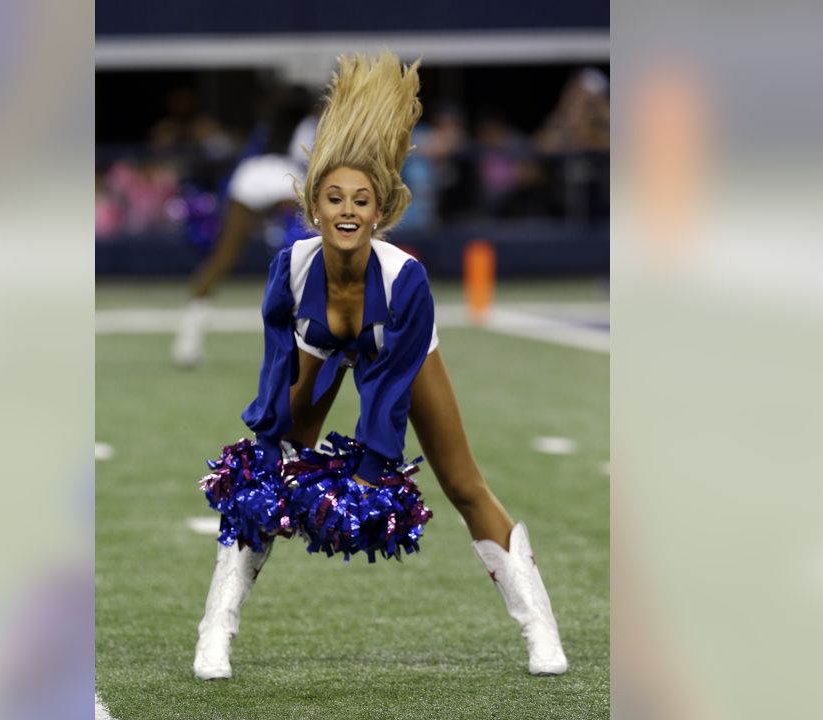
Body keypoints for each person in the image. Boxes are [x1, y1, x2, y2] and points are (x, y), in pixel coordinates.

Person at [192, 51, 570, 680]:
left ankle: (539, 629)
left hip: (395, 347)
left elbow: (389, 387)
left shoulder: (406, 280)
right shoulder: (289, 269)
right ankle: (216, 631)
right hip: (318, 345)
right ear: (315, 206)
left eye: (360, 200)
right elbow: (277, 359)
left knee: (463, 483)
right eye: (334, 197)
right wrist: (270, 440)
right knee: (261, 481)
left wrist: (370, 473)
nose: (346, 210)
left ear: (379, 210)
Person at [171, 86, 318, 367]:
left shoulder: (268, 125)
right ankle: (310, 337)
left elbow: (247, 154)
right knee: (310, 252)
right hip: (285, 178)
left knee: (223, 257)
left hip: (250, 178)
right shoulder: (310, 126)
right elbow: (311, 161)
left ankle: (187, 342)